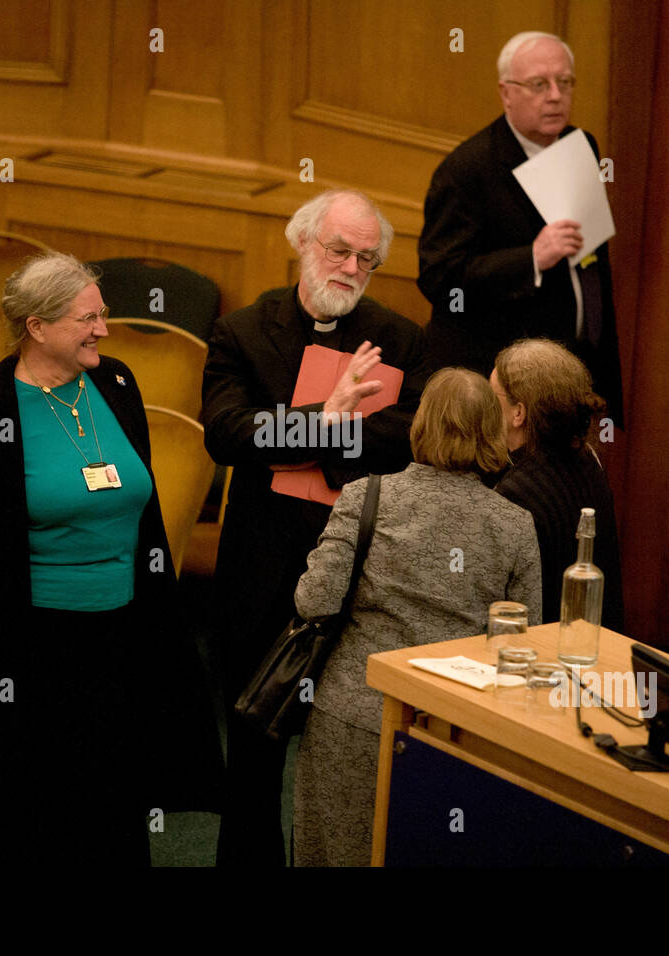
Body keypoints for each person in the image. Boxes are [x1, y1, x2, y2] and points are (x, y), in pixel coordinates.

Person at [0, 251, 219, 866]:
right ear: (36, 327)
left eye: (102, 315)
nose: (103, 329)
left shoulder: (117, 383)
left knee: (105, 809)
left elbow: (140, 511)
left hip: (118, 638)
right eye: (87, 319)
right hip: (25, 648)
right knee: (24, 815)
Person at [201, 189, 426, 865]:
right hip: (261, 567)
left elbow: (406, 438)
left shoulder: (400, 337)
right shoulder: (241, 330)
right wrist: (323, 419)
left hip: (361, 570)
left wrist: (325, 433)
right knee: (253, 756)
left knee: (344, 752)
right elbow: (228, 434)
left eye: (367, 258)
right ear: (302, 243)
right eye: (338, 250)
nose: (351, 267)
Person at [292, 367, 543, 866]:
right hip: (450, 726)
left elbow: (314, 600)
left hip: (353, 715)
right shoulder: (515, 525)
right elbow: (522, 644)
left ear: (421, 424)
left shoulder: (367, 497)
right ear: (490, 432)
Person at [417, 30, 623, 426]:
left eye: (564, 82)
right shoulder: (465, 171)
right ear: (506, 92)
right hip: (499, 384)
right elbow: (440, 279)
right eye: (538, 84)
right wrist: (530, 259)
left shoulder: (583, 144)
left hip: (573, 367)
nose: (555, 95)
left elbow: (592, 262)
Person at [491, 339, 624, 631]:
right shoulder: (588, 460)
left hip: (547, 654)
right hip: (599, 645)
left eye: (493, 398)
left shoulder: (514, 493)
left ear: (518, 414)